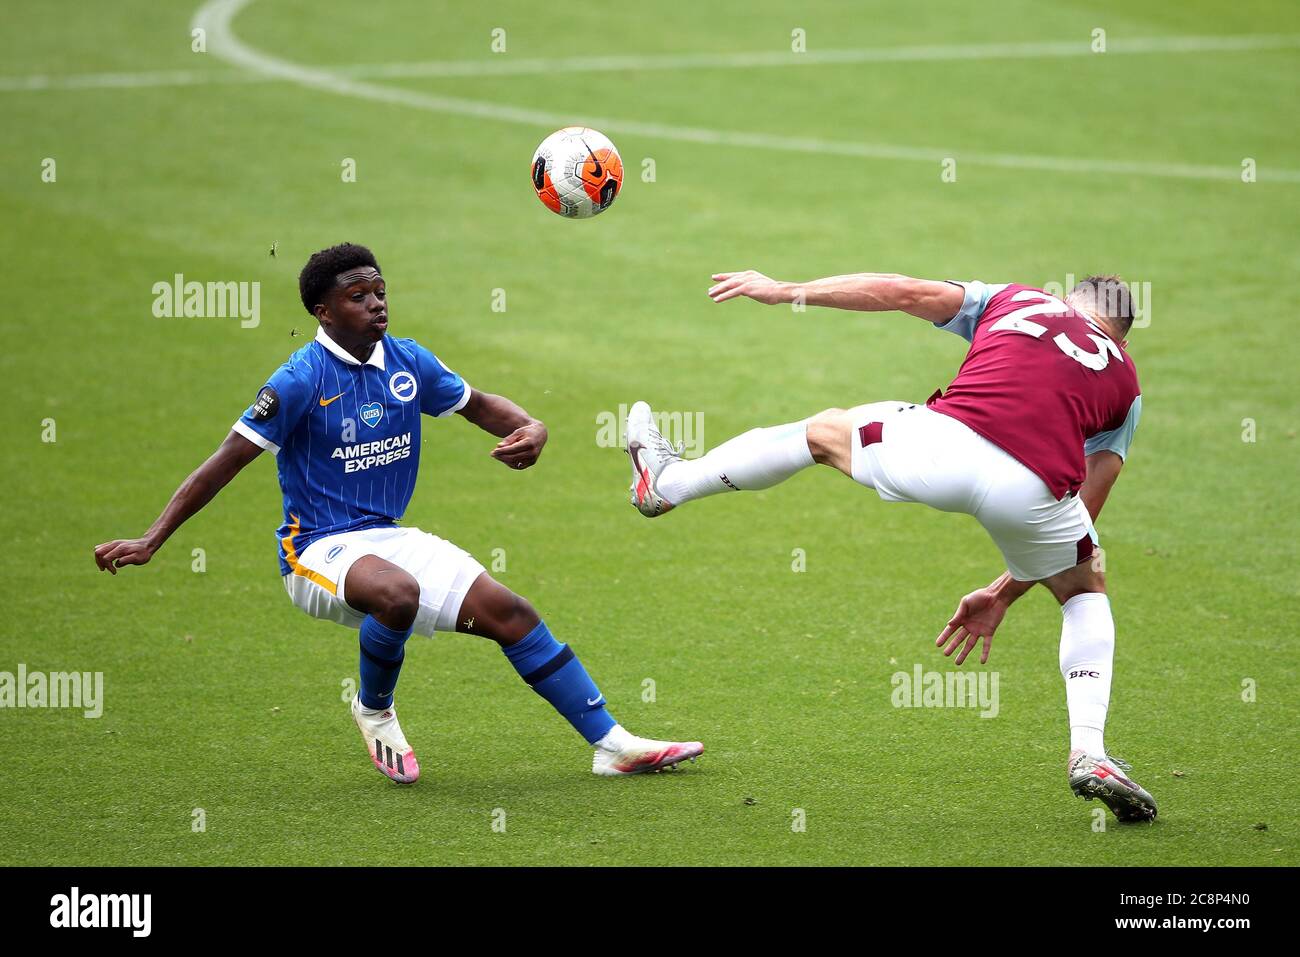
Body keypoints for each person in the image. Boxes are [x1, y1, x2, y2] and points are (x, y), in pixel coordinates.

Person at [95, 242, 702, 784]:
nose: (376, 305)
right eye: (357, 296)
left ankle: (613, 746)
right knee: (398, 593)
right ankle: (374, 707)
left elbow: (482, 405)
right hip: (315, 549)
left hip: (387, 536)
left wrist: (531, 427)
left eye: (380, 291)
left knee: (509, 613)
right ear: (323, 312)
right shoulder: (298, 380)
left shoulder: (407, 361)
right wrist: (152, 539)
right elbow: (222, 463)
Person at [624, 269, 1153, 821]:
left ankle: (667, 485)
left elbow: (901, 291)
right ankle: (1089, 750)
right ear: (1121, 338)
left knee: (823, 434)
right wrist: (1004, 592)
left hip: (944, 447)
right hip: (1034, 490)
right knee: (1084, 591)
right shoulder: (1127, 385)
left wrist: (786, 291)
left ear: (1066, 301)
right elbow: (1092, 494)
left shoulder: (1022, 301)